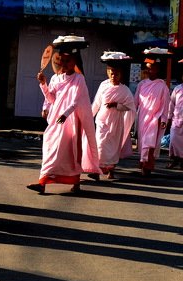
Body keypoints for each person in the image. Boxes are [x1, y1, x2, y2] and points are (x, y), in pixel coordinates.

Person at [27, 35, 99, 194]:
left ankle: (75, 182)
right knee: (50, 148)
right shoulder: (55, 78)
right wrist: (43, 84)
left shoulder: (79, 79)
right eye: (62, 61)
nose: (65, 64)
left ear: (75, 62)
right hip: (55, 121)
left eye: (69, 61)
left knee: (70, 152)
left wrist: (65, 114)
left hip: (72, 121)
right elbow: (51, 98)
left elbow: (76, 101)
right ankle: (43, 181)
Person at [91, 51, 135, 180]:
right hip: (102, 121)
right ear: (107, 72)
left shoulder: (125, 90)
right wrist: (88, 117)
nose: (113, 75)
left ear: (120, 74)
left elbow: (130, 107)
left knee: (114, 148)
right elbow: (96, 103)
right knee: (100, 144)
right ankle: (97, 170)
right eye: (110, 72)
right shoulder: (103, 85)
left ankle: (111, 170)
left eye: (116, 73)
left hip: (116, 123)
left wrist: (117, 105)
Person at [135, 48, 171, 176]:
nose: (149, 70)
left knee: (150, 143)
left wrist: (164, 119)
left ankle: (148, 165)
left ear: (158, 69)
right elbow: (136, 102)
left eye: (152, 68)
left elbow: (166, 105)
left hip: (155, 119)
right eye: (148, 68)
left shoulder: (162, 86)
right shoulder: (141, 84)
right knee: (143, 141)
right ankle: (143, 162)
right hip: (143, 118)